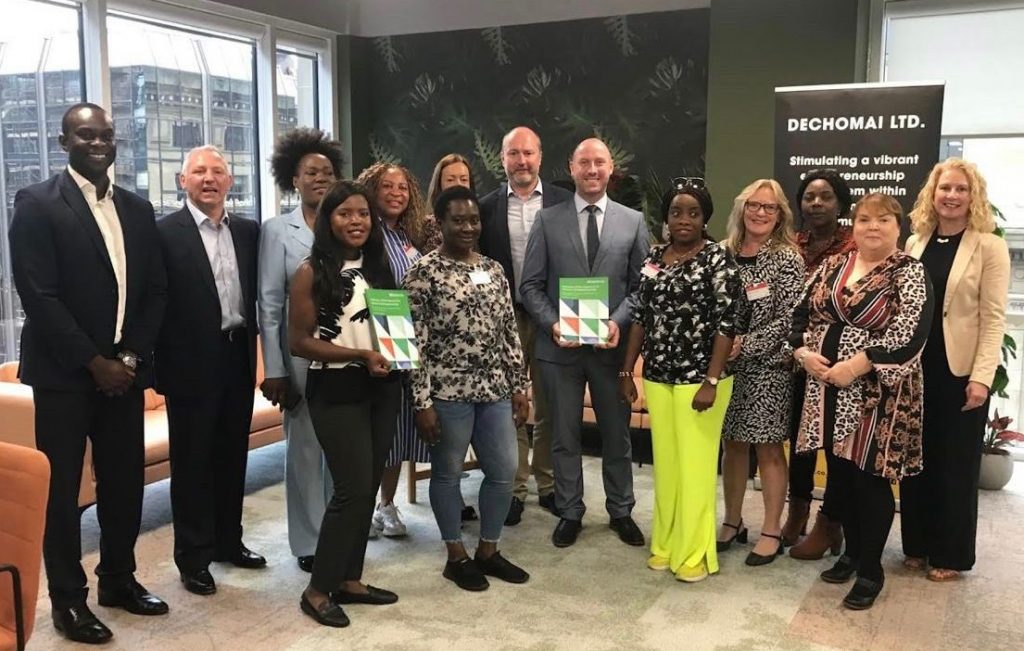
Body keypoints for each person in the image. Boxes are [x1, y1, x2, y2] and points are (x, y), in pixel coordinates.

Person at [9, 102, 168, 644]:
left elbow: (154, 292)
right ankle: (68, 602)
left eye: (106, 134)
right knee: (62, 494)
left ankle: (119, 580)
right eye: (85, 134)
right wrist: (93, 361)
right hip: (64, 375)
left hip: (123, 373)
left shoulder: (138, 208)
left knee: (125, 484)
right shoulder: (35, 202)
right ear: (63, 141)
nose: (98, 142)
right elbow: (39, 294)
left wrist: (126, 359)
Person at [789, 193, 933, 610]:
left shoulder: (908, 272)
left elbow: (911, 335)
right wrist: (803, 353)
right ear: (853, 225)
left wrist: (857, 365)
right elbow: (800, 317)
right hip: (827, 388)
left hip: (878, 394)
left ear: (898, 226)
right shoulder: (834, 266)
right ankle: (851, 553)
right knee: (842, 477)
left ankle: (871, 569)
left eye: (883, 220)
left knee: (870, 481)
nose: (873, 227)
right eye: (865, 219)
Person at [520, 137, 650, 548]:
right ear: (571, 168)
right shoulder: (547, 220)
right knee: (563, 434)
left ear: (611, 169)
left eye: (599, 162)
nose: (592, 170)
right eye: (584, 163)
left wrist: (618, 322)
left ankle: (621, 510)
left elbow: (642, 285)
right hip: (560, 350)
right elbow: (531, 286)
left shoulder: (633, 221)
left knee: (616, 434)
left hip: (612, 350)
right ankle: (570, 510)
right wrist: (554, 323)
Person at [405, 185, 531, 591]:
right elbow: (414, 344)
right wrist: (422, 403)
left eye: (473, 219)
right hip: (447, 393)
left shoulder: (493, 270)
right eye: (457, 220)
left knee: (503, 472)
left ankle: (488, 550)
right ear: (440, 224)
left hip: (494, 390)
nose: (467, 227)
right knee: (448, 475)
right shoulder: (422, 273)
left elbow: (509, 332)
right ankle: (455, 555)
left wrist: (520, 386)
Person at [288, 180, 401, 627]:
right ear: (328, 220)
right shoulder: (310, 270)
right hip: (335, 388)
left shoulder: (378, 266)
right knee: (352, 489)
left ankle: (351, 580)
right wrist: (359, 355)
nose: (356, 222)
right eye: (345, 214)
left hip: (382, 386)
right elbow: (299, 343)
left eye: (363, 215)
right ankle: (318, 589)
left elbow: (392, 324)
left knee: (368, 484)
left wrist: (399, 351)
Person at [155, 145, 265, 597]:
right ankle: (193, 557)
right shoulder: (163, 233)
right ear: (183, 181)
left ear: (230, 182)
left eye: (218, 171)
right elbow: (155, 303)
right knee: (192, 463)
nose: (209, 178)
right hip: (188, 364)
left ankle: (228, 541)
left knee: (230, 455)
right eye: (198, 171)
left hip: (237, 354)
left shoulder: (248, 231)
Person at [619, 178, 741, 582]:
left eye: (693, 212)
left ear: (706, 217)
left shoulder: (718, 259)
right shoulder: (654, 256)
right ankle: (666, 544)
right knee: (667, 468)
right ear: (666, 217)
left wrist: (710, 379)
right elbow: (640, 316)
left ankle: (694, 553)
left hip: (701, 380)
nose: (684, 219)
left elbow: (728, 323)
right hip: (659, 375)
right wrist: (627, 370)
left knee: (696, 468)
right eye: (676, 211)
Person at [901, 158, 1010, 582]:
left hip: (961, 370)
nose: (951, 195)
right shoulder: (915, 241)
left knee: (955, 464)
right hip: (914, 369)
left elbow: (993, 316)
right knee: (916, 459)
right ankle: (917, 544)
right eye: (945, 188)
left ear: (973, 196)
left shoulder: (989, 245)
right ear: (933, 192)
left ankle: (949, 553)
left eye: (961, 189)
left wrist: (982, 377)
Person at [259, 128, 344, 573]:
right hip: (298, 362)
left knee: (339, 451)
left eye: (327, 171)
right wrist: (275, 370)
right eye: (311, 171)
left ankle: (338, 532)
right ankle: (308, 544)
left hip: (344, 357)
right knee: (305, 453)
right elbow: (270, 304)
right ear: (294, 179)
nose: (320, 178)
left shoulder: (345, 224)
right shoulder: (278, 230)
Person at [479, 126, 573, 526]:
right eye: (513, 153)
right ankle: (514, 489)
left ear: (540, 157)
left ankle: (548, 486)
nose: (521, 160)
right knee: (509, 404)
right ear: (502, 159)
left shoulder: (563, 202)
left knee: (550, 401)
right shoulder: (484, 208)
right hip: (504, 319)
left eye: (528, 153)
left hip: (550, 315)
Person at [718, 179, 803, 566]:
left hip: (768, 368)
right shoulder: (723, 253)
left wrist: (744, 344)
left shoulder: (788, 258)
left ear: (780, 214)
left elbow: (789, 318)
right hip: (725, 367)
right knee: (732, 445)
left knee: (768, 448)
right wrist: (723, 347)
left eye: (769, 208)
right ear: (742, 208)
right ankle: (732, 521)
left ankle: (771, 529)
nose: (761, 213)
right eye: (754, 205)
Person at [355, 162, 431, 537]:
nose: (397, 193)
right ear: (371, 188)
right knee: (375, 433)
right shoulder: (365, 235)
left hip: (406, 346)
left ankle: (387, 505)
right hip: (376, 346)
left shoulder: (404, 235)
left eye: (403, 187)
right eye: (387, 186)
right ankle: (363, 507)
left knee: (397, 433)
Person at [785, 169, 857, 559]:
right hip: (798, 361)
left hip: (838, 363)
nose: (816, 203)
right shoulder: (793, 244)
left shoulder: (854, 247)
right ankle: (797, 512)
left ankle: (832, 522)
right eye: (809, 197)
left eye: (826, 196)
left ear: (840, 204)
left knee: (835, 443)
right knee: (800, 442)